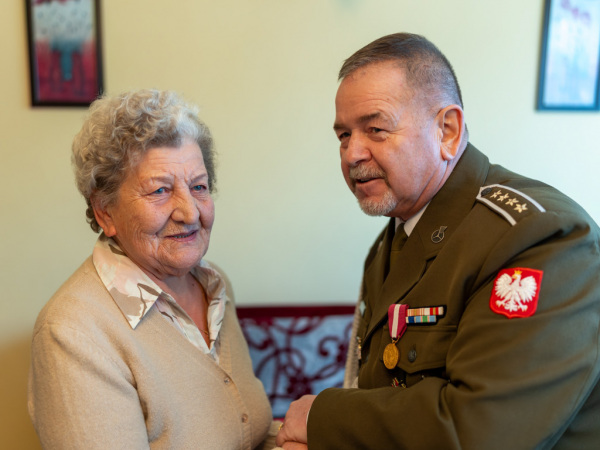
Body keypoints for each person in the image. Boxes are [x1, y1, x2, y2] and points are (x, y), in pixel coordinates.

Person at [276, 33, 600, 449]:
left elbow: (484, 431)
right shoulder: (393, 239)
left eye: (375, 129)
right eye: (343, 135)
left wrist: (322, 419)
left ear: (447, 131)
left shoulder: (540, 237)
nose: (352, 153)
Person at [28, 89, 281, 449]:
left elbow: (245, 434)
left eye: (199, 186)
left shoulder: (214, 285)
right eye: (160, 191)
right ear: (105, 212)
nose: (190, 212)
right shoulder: (73, 334)